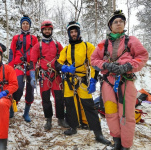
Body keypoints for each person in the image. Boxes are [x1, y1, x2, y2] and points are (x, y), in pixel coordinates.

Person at [91, 10, 148, 150]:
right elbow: (93, 60)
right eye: (115, 22)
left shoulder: (132, 40)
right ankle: (116, 141)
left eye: (121, 21)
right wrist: (105, 65)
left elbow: (142, 56)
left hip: (125, 81)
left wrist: (128, 66)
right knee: (110, 113)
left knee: (127, 114)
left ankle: (126, 145)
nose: (118, 23)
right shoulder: (102, 44)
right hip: (108, 82)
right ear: (110, 25)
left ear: (124, 24)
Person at [55, 21, 111, 145]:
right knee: (69, 105)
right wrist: (64, 68)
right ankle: (73, 127)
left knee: (89, 106)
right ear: (69, 34)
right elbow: (57, 63)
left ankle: (98, 133)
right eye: (71, 32)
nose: (74, 34)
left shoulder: (87, 46)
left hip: (82, 81)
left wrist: (93, 80)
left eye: (75, 31)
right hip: (69, 81)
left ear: (79, 32)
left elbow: (95, 64)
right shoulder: (66, 49)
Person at [29, 20, 69, 130]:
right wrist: (32, 76)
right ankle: (48, 119)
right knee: (45, 99)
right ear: (42, 31)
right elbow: (32, 61)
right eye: (45, 30)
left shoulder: (57, 44)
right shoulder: (38, 46)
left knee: (59, 98)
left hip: (56, 76)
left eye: (49, 29)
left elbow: (64, 57)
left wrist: (66, 68)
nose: (47, 31)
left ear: (51, 30)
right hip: (44, 76)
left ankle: (61, 119)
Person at [8, 15, 38, 122]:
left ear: (29, 26)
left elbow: (36, 52)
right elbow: (11, 52)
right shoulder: (16, 38)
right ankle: (12, 107)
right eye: (23, 23)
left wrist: (32, 63)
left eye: (27, 24)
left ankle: (26, 113)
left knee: (30, 89)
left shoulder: (34, 38)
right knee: (18, 87)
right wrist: (10, 67)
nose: (25, 25)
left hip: (30, 66)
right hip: (18, 66)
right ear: (21, 25)